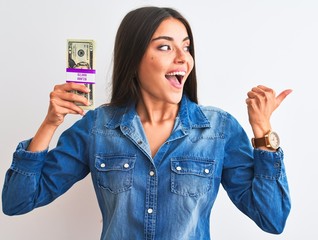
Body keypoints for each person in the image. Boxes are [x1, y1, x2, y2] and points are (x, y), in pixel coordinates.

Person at [2, 6, 292, 240]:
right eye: (166, 47)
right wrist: (50, 123)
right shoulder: (98, 127)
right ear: (134, 58)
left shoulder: (219, 130)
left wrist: (263, 133)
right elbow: (17, 202)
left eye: (187, 47)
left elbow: (272, 218)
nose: (183, 59)